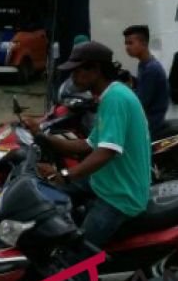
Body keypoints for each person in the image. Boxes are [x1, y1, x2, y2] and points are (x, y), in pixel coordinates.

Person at [23, 41, 150, 248]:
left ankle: (79, 276)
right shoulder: (109, 95)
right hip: (105, 182)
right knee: (48, 194)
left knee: (78, 254)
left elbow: (106, 152)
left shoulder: (116, 98)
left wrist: (66, 175)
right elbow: (87, 145)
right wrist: (42, 136)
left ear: (95, 70)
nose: (72, 77)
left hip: (120, 195)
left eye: (76, 71)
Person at [123, 25, 169, 134]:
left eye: (130, 43)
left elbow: (140, 102)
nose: (127, 47)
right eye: (126, 43)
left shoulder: (151, 69)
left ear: (143, 44)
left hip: (151, 122)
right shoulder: (143, 64)